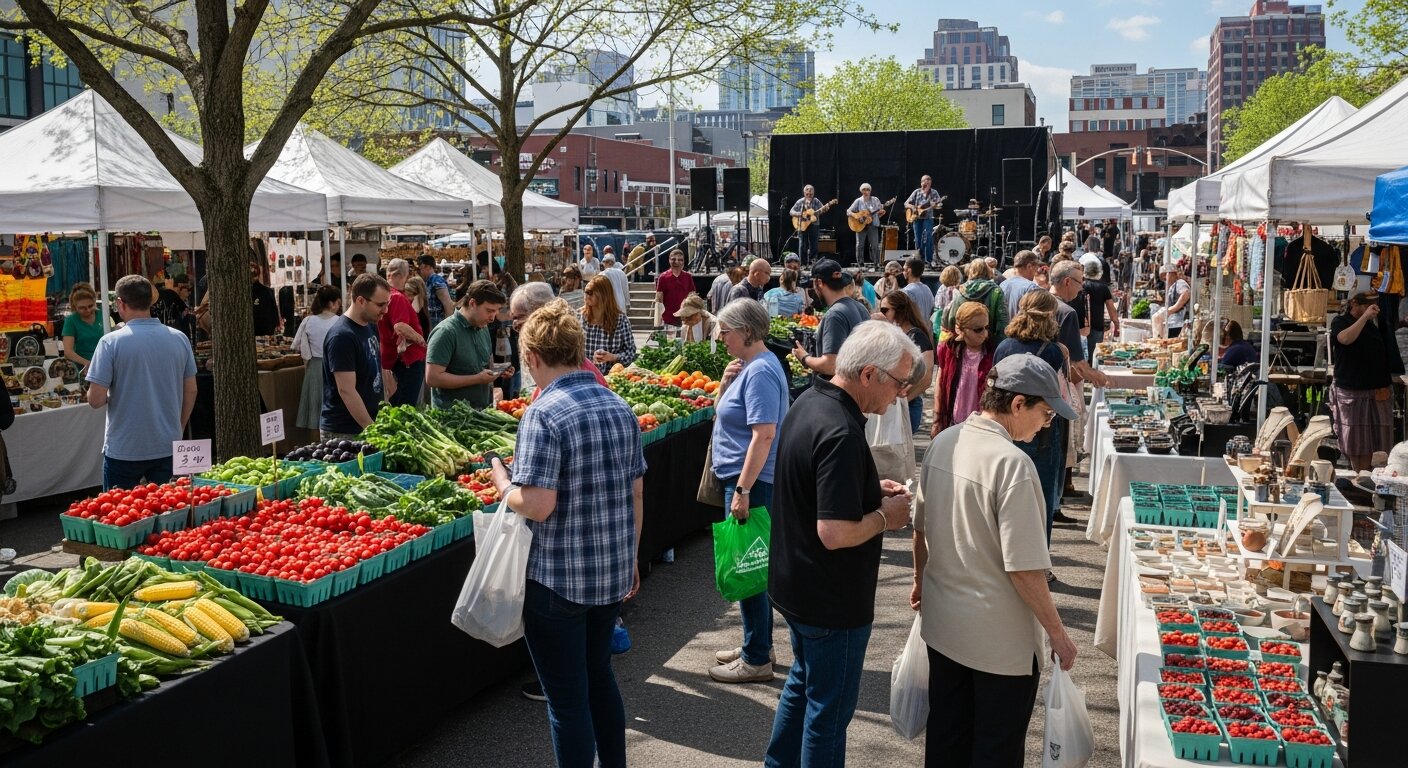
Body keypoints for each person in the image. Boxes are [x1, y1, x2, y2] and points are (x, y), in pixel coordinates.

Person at [487, 299, 646, 768]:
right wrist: (632, 555)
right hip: (610, 571)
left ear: (532, 357)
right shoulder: (618, 404)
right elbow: (637, 491)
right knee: (600, 680)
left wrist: (503, 482)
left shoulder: (544, 412)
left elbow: (537, 505)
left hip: (558, 580)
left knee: (567, 701)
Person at [914, 354, 1080, 768]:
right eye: (1045, 413)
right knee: (995, 752)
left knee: (946, 742)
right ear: (1018, 404)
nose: (1048, 424)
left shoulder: (944, 441)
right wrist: (1057, 635)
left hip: (945, 627)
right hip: (1000, 645)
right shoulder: (1013, 465)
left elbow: (920, 529)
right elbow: (1023, 568)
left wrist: (920, 582)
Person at [765, 321, 918, 766]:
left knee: (803, 684)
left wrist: (868, 486)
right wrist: (883, 517)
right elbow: (833, 532)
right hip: (831, 599)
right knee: (828, 713)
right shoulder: (843, 431)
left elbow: (816, 481)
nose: (901, 394)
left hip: (796, 585)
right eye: (898, 382)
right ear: (868, 375)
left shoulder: (812, 401)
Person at [708, 299, 791, 684]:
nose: (720, 337)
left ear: (745, 331)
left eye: (725, 331)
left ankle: (757, 657)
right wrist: (725, 385)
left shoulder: (760, 371)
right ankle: (757, 644)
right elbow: (729, 417)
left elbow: (764, 434)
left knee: (749, 568)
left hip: (752, 482)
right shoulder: (752, 368)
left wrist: (742, 489)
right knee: (752, 567)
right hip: (747, 480)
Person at [85, 275, 197, 489]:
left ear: (120, 303)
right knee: (170, 516)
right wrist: (178, 428)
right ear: (151, 302)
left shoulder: (110, 342)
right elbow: (191, 390)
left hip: (125, 447)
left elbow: (95, 400)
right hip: (167, 443)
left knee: (121, 517)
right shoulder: (179, 338)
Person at [994, 290, 1073, 562]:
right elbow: (1057, 390)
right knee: (1040, 496)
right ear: (1051, 315)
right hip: (1043, 426)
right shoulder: (1053, 351)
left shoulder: (1004, 346)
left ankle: (1006, 553)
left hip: (1006, 422)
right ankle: (1039, 561)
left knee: (1006, 492)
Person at [321, 274, 389, 440]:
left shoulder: (371, 326)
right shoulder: (342, 336)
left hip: (367, 426)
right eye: (380, 305)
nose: (385, 310)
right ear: (361, 301)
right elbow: (346, 390)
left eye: (387, 304)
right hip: (345, 431)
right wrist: (372, 431)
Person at [1331, 291, 1394, 470]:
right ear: (1354, 304)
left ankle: (1366, 476)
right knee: (1355, 440)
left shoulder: (1374, 326)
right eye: (1365, 306)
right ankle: (1358, 474)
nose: (1370, 310)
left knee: (1374, 440)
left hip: (1376, 389)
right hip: (1351, 389)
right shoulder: (1341, 321)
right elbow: (1344, 339)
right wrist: (1364, 318)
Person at [426, 279, 510, 409]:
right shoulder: (445, 332)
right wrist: (477, 379)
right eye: (489, 310)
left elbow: (487, 364)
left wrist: (500, 370)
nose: (493, 317)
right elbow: (432, 378)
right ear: (472, 303)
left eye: (496, 311)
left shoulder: (483, 327)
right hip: (453, 418)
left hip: (480, 412)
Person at [792, 259, 869, 380]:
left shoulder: (834, 315)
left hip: (839, 392)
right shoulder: (860, 308)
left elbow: (831, 365)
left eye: (813, 284)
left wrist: (804, 357)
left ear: (819, 283)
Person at [931, 301, 995, 438]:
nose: (984, 333)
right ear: (961, 329)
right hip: (954, 421)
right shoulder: (948, 349)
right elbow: (940, 383)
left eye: (986, 327)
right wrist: (937, 419)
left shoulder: (992, 352)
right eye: (978, 329)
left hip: (982, 425)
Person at [880, 290, 935, 434]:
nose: (882, 314)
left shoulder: (916, 336)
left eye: (885, 310)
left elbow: (926, 377)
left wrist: (902, 400)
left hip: (908, 406)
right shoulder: (902, 334)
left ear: (899, 310)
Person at [377, 258, 427, 407]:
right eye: (407, 276)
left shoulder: (385, 296)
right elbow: (400, 326)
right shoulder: (397, 297)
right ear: (399, 275)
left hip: (393, 356)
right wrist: (422, 341)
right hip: (407, 359)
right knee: (405, 405)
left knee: (397, 402)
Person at [293, 285, 342, 432]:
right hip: (336, 366)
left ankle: (317, 443)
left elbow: (297, 345)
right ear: (333, 303)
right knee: (336, 407)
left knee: (316, 410)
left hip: (314, 366)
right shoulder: (341, 321)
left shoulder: (308, 321)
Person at [940, 259, 1008, 341]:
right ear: (987, 271)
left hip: (965, 342)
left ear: (970, 272)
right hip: (989, 343)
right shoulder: (996, 292)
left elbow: (951, 319)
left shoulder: (961, 291)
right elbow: (1003, 321)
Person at [583, 275, 637, 373]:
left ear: (603, 295)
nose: (586, 295)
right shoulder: (580, 317)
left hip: (611, 378)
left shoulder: (621, 320)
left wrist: (612, 357)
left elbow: (631, 353)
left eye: (590, 292)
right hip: (584, 377)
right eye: (585, 291)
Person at [62, 284, 103, 369]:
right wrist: (88, 364)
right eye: (82, 308)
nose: (88, 310)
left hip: (104, 363)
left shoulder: (103, 314)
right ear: (75, 307)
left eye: (90, 306)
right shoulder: (71, 320)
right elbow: (68, 352)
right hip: (82, 367)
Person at [905, 175, 944, 263]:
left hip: (928, 218)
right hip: (916, 218)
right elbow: (906, 203)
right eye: (924, 181)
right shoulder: (917, 192)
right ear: (921, 182)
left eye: (928, 180)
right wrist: (913, 207)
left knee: (928, 239)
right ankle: (919, 260)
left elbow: (939, 205)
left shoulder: (933, 192)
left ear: (930, 183)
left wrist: (937, 205)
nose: (926, 182)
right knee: (918, 239)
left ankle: (929, 260)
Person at [846, 183, 887, 266]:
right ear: (861, 191)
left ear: (870, 191)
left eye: (868, 189)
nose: (866, 191)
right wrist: (856, 216)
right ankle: (860, 263)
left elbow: (878, 213)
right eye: (864, 189)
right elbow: (848, 211)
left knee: (875, 245)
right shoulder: (858, 201)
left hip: (872, 225)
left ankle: (877, 263)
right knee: (859, 245)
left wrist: (881, 213)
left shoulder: (875, 200)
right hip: (860, 225)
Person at [1082, 259, 1119, 347]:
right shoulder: (1103, 287)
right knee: (1094, 354)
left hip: (1081, 325)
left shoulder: (1081, 286)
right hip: (1097, 325)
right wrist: (1116, 323)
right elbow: (1111, 307)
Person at [654, 249, 694, 331]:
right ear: (669, 260)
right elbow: (659, 300)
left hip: (685, 318)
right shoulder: (663, 277)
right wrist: (658, 321)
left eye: (680, 260)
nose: (677, 262)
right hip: (668, 319)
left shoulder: (688, 277)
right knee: (670, 342)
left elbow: (692, 297)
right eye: (673, 259)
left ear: (683, 261)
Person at [1000, 250, 1043, 322]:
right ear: (1029, 266)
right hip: (1022, 332)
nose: (1037, 270)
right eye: (1036, 267)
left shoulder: (1003, 284)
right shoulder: (1032, 288)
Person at [417, 254, 455, 329]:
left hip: (441, 325)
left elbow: (448, 305)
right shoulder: (428, 282)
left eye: (420, 268)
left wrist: (447, 327)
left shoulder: (437, 281)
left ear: (427, 267)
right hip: (435, 325)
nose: (420, 272)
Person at [790, 184, 827, 262]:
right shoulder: (800, 201)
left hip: (814, 224)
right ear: (804, 193)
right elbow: (791, 211)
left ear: (813, 193)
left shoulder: (816, 201)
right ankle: (802, 262)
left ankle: (812, 261)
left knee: (814, 243)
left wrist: (824, 209)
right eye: (807, 191)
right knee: (802, 244)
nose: (809, 192)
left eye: (811, 191)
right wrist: (799, 214)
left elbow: (822, 209)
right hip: (802, 225)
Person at [902, 257, 934, 327]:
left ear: (909, 271)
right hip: (926, 332)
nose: (903, 272)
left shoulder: (907, 291)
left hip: (913, 333)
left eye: (904, 269)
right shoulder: (927, 289)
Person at [251, 261, 280, 336]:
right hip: (267, 332)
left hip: (256, 332)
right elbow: (275, 313)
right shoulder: (268, 292)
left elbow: (274, 312)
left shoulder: (267, 292)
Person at [1162, 264, 1191, 337]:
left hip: (1179, 322)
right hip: (1173, 322)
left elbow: (1186, 294)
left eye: (1166, 275)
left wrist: (1174, 308)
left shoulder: (1180, 282)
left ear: (1173, 274)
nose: (1165, 278)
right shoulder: (1173, 286)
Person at [600, 253, 631, 321]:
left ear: (605, 262)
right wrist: (627, 303)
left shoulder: (602, 274)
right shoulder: (622, 273)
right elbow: (625, 289)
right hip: (621, 306)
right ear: (614, 263)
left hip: (607, 308)